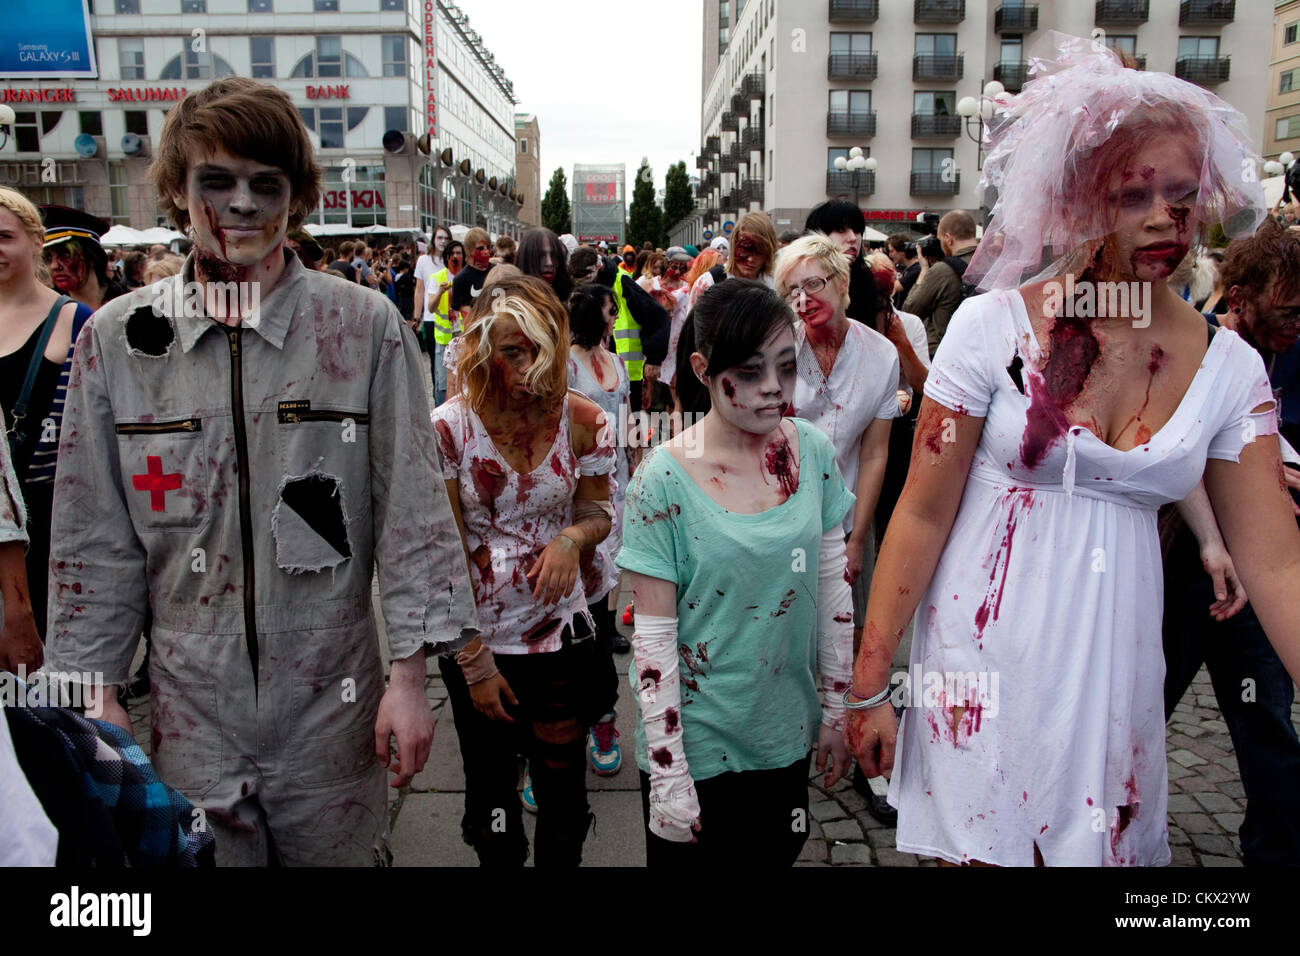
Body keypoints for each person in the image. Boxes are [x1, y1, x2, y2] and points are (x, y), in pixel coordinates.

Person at [843, 35, 1300, 868]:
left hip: (1115, 689)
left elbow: (1279, 567)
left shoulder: (1231, 368)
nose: (1169, 216)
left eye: (1185, 194)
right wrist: (872, 683)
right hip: (979, 670)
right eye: (1136, 195)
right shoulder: (991, 331)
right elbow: (920, 511)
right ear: (1083, 201)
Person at [42, 76, 478, 866]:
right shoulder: (117, 342)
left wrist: (410, 680)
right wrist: (94, 689)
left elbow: (412, 508)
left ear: (297, 197)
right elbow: (92, 540)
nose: (241, 203)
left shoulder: (363, 326)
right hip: (188, 709)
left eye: (265, 184)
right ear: (178, 190)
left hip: (332, 703)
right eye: (216, 181)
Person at [617, 278, 856, 866]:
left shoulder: (812, 453)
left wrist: (836, 709)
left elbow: (832, 590)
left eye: (786, 366)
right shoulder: (661, 479)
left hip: (782, 734)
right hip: (697, 745)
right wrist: (671, 776)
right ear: (702, 368)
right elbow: (652, 641)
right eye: (749, 372)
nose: (774, 388)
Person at [433, 273, 615, 866]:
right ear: (484, 350)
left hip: (563, 632)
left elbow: (597, 508)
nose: (531, 367)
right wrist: (475, 662)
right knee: (490, 792)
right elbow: (443, 552)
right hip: (479, 638)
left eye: (542, 349)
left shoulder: (584, 418)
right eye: (513, 351)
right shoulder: (449, 429)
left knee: (562, 786)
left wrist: (571, 538)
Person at [1161, 217, 1300, 866]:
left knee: (1266, 718)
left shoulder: (1294, 352)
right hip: (1185, 565)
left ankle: (1277, 853)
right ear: (1241, 295)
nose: (1298, 322)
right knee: (1139, 705)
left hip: (1268, 571)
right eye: (1289, 307)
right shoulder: (1201, 349)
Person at [775, 234, 900, 825]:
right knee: (784, 630)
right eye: (791, 290)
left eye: (814, 284)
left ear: (842, 283)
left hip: (850, 515)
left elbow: (875, 454)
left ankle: (865, 756)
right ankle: (787, 744)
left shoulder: (880, 355)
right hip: (779, 519)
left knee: (857, 638)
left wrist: (855, 538)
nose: (803, 299)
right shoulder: (778, 350)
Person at [0, 188, 89, 656]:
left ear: (36, 241)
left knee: (54, 680)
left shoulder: (75, 320)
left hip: (56, 527)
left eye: (4, 236)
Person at [567, 283, 632, 777]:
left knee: (611, 568)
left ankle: (603, 626)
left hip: (618, 480)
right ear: (598, 314)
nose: (615, 317)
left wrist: (632, 463)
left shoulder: (617, 361)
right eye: (611, 310)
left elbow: (625, 417)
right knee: (584, 573)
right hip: (576, 488)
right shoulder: (565, 363)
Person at [569, 245, 670, 414]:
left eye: (586, 278)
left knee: (625, 424)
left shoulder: (622, 282)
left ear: (598, 267)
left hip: (627, 370)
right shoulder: (582, 289)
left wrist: (654, 359)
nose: (583, 284)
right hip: (591, 367)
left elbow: (657, 315)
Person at [903, 209, 979, 356]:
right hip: (981, 352)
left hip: (946, 353)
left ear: (948, 238)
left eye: (940, 240)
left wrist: (924, 270)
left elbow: (910, 310)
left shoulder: (942, 270)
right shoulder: (993, 264)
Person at [38, 207, 126, 311]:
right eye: (48, 257)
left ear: (92, 258)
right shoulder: (47, 313)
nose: (54, 266)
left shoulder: (129, 305)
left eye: (65, 255)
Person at [688, 213, 778, 309]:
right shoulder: (709, 282)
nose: (750, 259)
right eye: (744, 249)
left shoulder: (774, 284)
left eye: (759, 252)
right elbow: (692, 323)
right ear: (734, 245)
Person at [516, 227, 573, 304]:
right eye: (541, 255)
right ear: (527, 258)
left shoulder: (570, 298)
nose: (549, 263)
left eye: (553, 255)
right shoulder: (513, 302)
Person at [451, 227, 493, 327]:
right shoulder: (461, 280)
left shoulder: (496, 272)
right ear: (470, 251)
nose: (486, 251)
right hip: (476, 333)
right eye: (480, 248)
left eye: (488, 247)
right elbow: (467, 318)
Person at [414, 224, 453, 328]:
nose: (443, 241)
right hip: (430, 317)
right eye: (440, 238)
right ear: (433, 239)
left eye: (446, 238)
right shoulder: (423, 260)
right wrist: (416, 317)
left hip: (451, 318)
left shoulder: (454, 261)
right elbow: (419, 290)